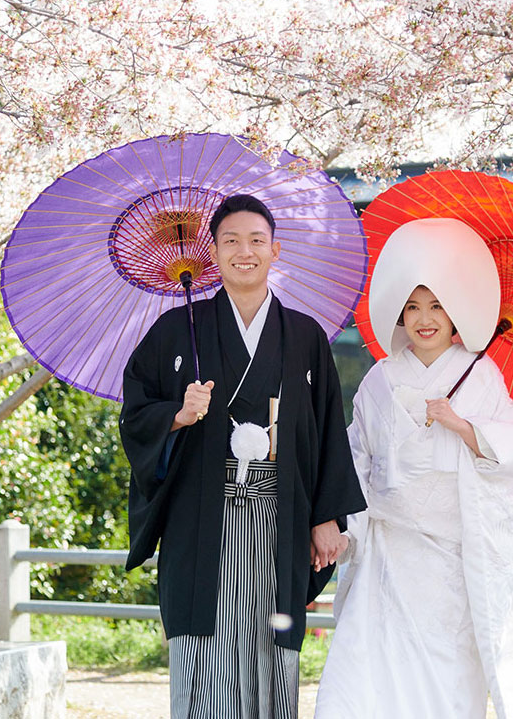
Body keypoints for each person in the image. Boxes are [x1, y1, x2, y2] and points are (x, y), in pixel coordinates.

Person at [119, 194, 366, 719]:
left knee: (273, 653)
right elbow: (136, 412)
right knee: (207, 655)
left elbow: (326, 432)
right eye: (230, 241)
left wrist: (327, 516)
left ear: (275, 250)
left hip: (283, 517)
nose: (244, 251)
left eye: (256, 240)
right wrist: (178, 416)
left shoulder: (304, 337)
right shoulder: (174, 333)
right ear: (213, 251)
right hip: (202, 517)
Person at [314, 218, 513, 719]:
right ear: (399, 314)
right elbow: (356, 458)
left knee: (445, 681)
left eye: (437, 305)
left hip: (452, 561)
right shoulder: (380, 379)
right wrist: (342, 526)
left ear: (455, 310)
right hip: (389, 555)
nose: (425, 318)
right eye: (413, 306)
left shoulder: (481, 373)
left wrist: (461, 425)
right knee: (368, 675)